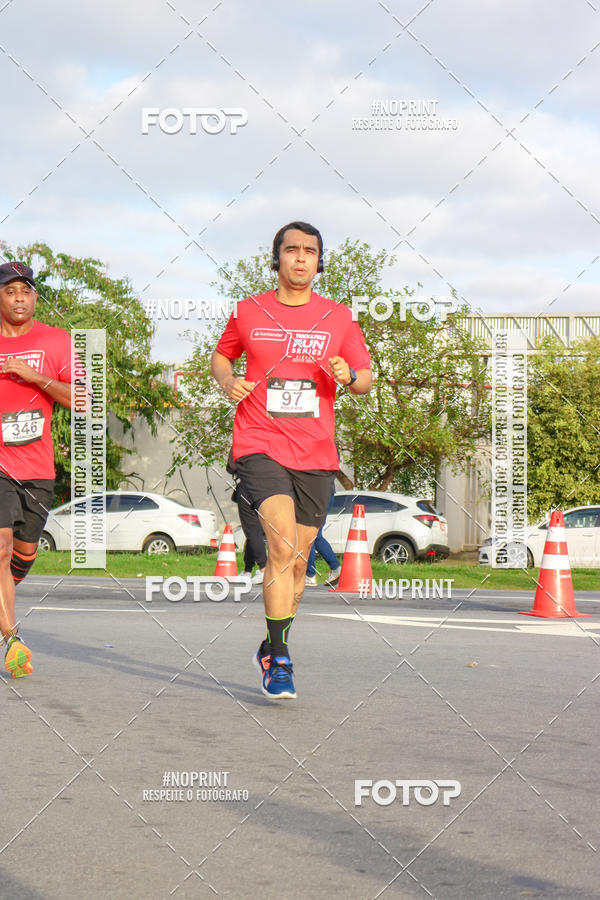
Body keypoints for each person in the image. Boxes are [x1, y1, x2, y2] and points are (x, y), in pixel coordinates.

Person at [211, 222, 371, 699]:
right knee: (280, 547)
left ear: (319, 262)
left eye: (310, 251)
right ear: (276, 257)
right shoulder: (248, 310)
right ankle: (280, 659)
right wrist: (227, 382)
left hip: (316, 451)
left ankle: (271, 641)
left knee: (298, 564)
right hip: (259, 440)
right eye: (291, 250)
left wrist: (348, 374)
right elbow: (221, 357)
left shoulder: (339, 318)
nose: (300, 258)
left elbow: (364, 379)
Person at [0, 261, 76, 678]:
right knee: (1, 546)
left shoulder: (56, 340)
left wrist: (33, 376)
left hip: (37, 467)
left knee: (23, 556)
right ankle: (12, 639)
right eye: (10, 291)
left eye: (26, 291)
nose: (19, 299)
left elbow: (82, 400)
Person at [305, 492, 341, 586]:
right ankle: (336, 567)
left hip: (315, 495)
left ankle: (310, 574)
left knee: (309, 535)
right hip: (327, 493)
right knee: (316, 535)